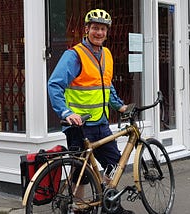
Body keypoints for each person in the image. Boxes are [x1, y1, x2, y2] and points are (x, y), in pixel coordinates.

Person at [48, 9, 134, 214]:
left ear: (107, 32)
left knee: (114, 162)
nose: (99, 32)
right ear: (87, 29)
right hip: (78, 123)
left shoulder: (106, 54)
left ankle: (108, 201)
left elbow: (106, 85)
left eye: (103, 28)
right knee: (81, 171)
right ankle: (76, 207)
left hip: (101, 122)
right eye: (95, 27)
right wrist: (66, 112)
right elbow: (54, 85)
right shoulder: (74, 55)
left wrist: (119, 105)